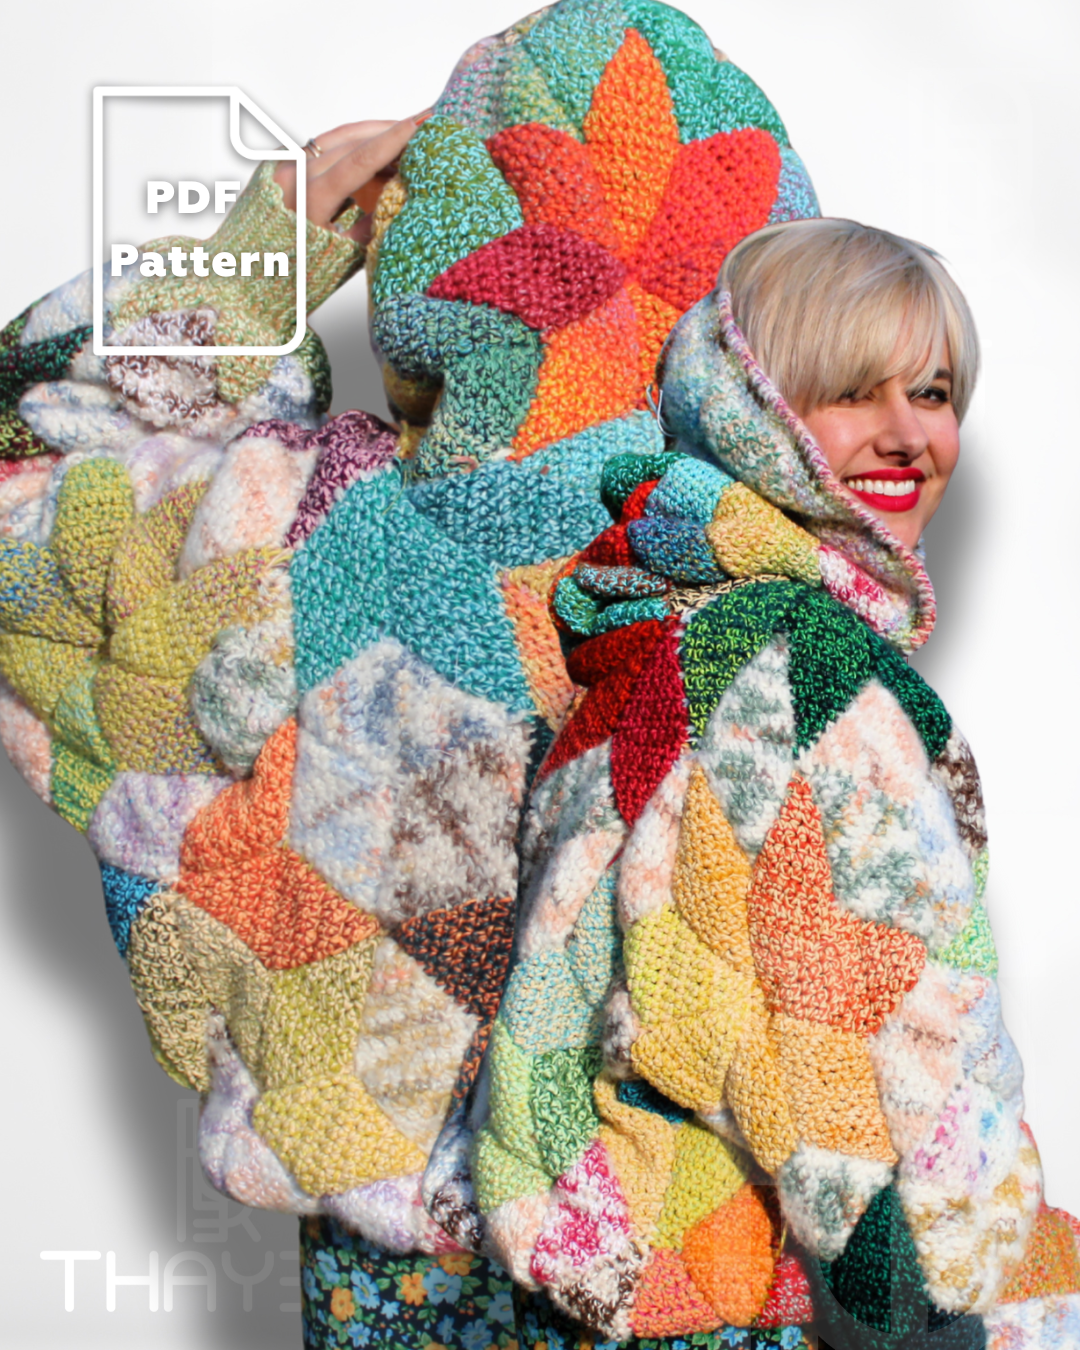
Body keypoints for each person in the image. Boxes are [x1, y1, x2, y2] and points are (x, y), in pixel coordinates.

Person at [0, 3, 819, 1347]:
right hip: (693, 1246)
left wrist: (276, 229)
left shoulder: (302, 531)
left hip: (405, 1245)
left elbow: (34, 466)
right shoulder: (781, 564)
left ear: (434, 262)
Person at [472, 218, 1080, 1350]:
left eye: (934, 393)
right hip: (740, 1292)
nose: (909, 435)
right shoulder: (802, 666)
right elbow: (880, 1079)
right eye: (852, 392)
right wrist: (996, 1311)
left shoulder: (656, 623)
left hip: (606, 1266)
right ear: (755, 415)